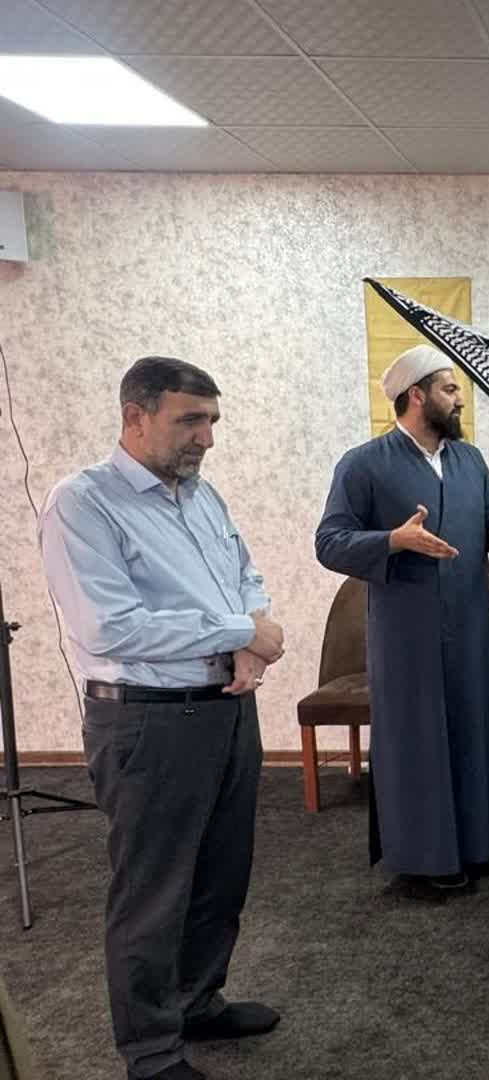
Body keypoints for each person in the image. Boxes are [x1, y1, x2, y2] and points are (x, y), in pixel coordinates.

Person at [39, 356, 284, 1080]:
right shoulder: (83, 503)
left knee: (220, 874)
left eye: (212, 421)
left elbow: (245, 575)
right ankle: (149, 1050)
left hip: (226, 710)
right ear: (135, 416)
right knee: (153, 892)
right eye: (190, 421)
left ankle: (197, 1002)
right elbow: (111, 627)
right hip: (148, 722)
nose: (206, 438)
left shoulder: (202, 497)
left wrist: (250, 641)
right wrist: (239, 631)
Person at [315, 344, 489, 895]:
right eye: (450, 389)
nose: (459, 399)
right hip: (406, 636)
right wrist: (392, 540)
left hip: (473, 625)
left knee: (487, 727)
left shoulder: (469, 460)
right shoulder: (363, 464)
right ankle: (431, 858)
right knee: (420, 740)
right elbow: (329, 542)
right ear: (417, 395)